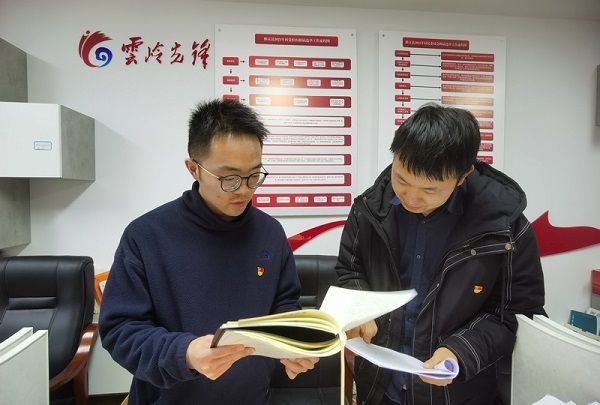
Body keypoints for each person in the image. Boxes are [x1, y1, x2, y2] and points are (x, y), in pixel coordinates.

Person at [98, 99, 317, 405]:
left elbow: (283, 303)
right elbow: (120, 330)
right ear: (194, 169)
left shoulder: (270, 232)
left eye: (254, 175)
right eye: (229, 178)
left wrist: (293, 343)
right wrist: (185, 354)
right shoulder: (146, 235)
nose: (244, 189)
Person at [336, 103, 545, 405]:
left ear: (463, 175)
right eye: (401, 179)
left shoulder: (504, 228)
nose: (410, 197)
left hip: (456, 392)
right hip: (381, 387)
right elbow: (350, 271)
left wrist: (460, 351)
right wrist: (360, 311)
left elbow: (514, 313)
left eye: (430, 190)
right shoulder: (369, 210)